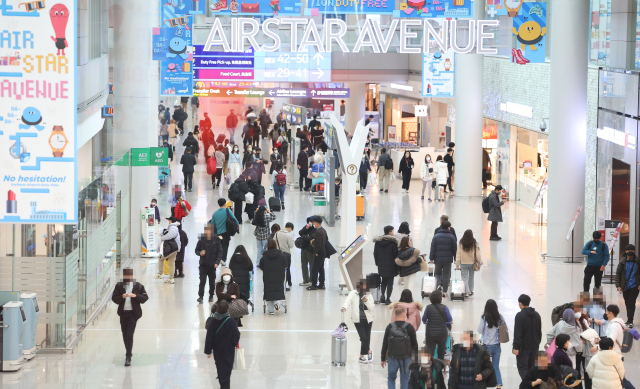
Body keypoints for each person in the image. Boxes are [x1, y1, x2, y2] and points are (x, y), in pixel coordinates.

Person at [111, 268, 148, 366]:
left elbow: (145, 298)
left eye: (129, 276)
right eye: (126, 276)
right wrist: (121, 297)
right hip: (123, 313)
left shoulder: (138, 286)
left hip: (133, 314)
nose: (128, 277)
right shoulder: (119, 286)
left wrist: (135, 296)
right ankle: (128, 351)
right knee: (124, 334)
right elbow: (114, 298)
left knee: (129, 334)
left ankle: (128, 356)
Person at [204, 301, 241, 389]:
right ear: (228, 309)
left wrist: (208, 351)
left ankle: (223, 384)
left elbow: (209, 336)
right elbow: (236, 335)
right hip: (228, 350)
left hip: (218, 351)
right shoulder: (231, 321)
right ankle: (225, 386)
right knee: (227, 370)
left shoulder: (213, 321)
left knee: (220, 368)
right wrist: (233, 343)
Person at [381, 305, 419, 389]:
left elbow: (385, 344)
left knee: (391, 378)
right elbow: (414, 345)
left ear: (395, 315)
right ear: (404, 315)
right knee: (404, 381)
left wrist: (383, 358)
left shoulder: (389, 327)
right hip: (406, 358)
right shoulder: (409, 327)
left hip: (392, 357)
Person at [341, 279, 375, 363]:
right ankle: (369, 352)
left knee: (367, 338)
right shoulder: (353, 293)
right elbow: (348, 300)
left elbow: (371, 308)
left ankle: (361, 356)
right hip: (357, 319)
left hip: (368, 319)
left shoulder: (369, 295)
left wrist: (366, 301)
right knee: (363, 337)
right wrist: (344, 307)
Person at [513, 294, 543, 379]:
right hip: (534, 346)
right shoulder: (537, 315)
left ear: (520, 303)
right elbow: (539, 331)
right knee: (532, 367)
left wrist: (516, 347)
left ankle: (528, 384)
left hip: (524, 348)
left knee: (522, 368)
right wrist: (537, 342)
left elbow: (518, 333)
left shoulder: (520, 315)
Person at [478, 299, 506, 389]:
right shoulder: (500, 317)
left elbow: (479, 330)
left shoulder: (484, 318)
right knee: (495, 366)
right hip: (497, 346)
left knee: (485, 366)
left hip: (486, 347)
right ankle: (498, 384)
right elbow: (504, 328)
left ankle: (485, 383)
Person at [258, 239, 288, 315]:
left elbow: (261, 266)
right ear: (276, 245)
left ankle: (271, 310)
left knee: (269, 291)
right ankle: (278, 302)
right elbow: (285, 265)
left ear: (267, 246)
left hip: (268, 276)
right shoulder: (281, 255)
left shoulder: (264, 256)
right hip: (279, 276)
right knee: (279, 289)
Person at [195, 225, 223, 303]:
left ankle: (211, 295)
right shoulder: (201, 240)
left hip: (212, 265)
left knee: (211, 282)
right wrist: (200, 253)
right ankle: (200, 296)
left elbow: (220, 253)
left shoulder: (216, 240)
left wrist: (217, 262)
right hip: (203, 264)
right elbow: (196, 250)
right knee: (202, 281)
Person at [422, 290, 452, 360]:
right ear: (440, 298)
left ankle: (429, 369)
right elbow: (450, 319)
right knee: (441, 353)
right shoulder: (445, 308)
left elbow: (424, 319)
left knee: (429, 353)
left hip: (430, 333)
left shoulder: (428, 307)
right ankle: (440, 369)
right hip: (442, 333)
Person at [429, 221, 457, 297]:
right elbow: (455, 249)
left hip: (438, 259)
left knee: (437, 273)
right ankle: (445, 291)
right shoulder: (452, 237)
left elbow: (432, 248)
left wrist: (431, 258)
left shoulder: (436, 236)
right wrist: (456, 259)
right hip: (448, 260)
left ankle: (438, 286)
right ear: (448, 227)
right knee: (446, 275)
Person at [615, 244, 640, 326]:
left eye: (632, 251)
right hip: (625, 286)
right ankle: (629, 319)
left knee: (631, 303)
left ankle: (630, 320)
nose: (630, 253)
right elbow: (618, 274)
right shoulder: (622, 262)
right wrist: (618, 285)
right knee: (626, 302)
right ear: (626, 252)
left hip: (634, 286)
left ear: (634, 251)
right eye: (628, 251)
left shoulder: (638, 261)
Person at [374, 225, 399, 305]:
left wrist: (377, 263)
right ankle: (388, 299)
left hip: (381, 264)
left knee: (384, 280)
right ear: (390, 232)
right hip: (391, 265)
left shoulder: (378, 242)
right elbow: (396, 254)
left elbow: (375, 253)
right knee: (390, 282)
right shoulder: (393, 243)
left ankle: (382, 295)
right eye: (392, 231)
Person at [227, 245, 253, 321]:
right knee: (244, 293)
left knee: (236, 293)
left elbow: (230, 267)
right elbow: (251, 267)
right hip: (244, 280)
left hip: (235, 280)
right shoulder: (246, 258)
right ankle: (243, 307)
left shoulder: (232, 258)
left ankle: (235, 308)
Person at [456, 229, 481, 297]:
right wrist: (480, 261)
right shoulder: (474, 244)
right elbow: (478, 254)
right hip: (472, 263)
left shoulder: (461, 243)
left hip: (463, 263)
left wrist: (457, 264)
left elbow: (458, 254)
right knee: (471, 277)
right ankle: (470, 290)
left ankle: (465, 292)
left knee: (464, 277)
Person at [156, 216, 181, 284]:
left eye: (169, 220)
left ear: (170, 221)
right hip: (173, 248)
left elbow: (169, 236)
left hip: (172, 248)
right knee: (171, 263)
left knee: (161, 259)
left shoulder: (173, 228)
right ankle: (171, 278)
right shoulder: (171, 227)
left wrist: (162, 237)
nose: (168, 221)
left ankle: (161, 274)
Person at [308, 216, 329, 291]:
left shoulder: (318, 232)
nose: (313, 224)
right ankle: (321, 284)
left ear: (316, 222)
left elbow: (319, 244)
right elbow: (326, 239)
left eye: (314, 222)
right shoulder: (323, 230)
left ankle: (314, 285)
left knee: (315, 268)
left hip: (319, 252)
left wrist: (316, 252)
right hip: (323, 251)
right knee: (321, 268)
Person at [272, 223, 295, 289]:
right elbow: (291, 245)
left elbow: (274, 242)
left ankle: (279, 283)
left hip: (278, 254)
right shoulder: (288, 235)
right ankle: (286, 283)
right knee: (287, 269)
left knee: (279, 269)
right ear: (290, 228)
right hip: (286, 255)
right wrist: (292, 239)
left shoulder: (276, 233)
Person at [298, 217, 316, 286]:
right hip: (304, 249)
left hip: (311, 250)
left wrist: (303, 237)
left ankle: (311, 280)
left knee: (312, 265)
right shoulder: (307, 227)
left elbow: (311, 238)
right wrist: (306, 228)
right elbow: (300, 233)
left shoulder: (315, 230)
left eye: (311, 221)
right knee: (304, 265)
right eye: (309, 221)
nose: (310, 223)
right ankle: (305, 280)